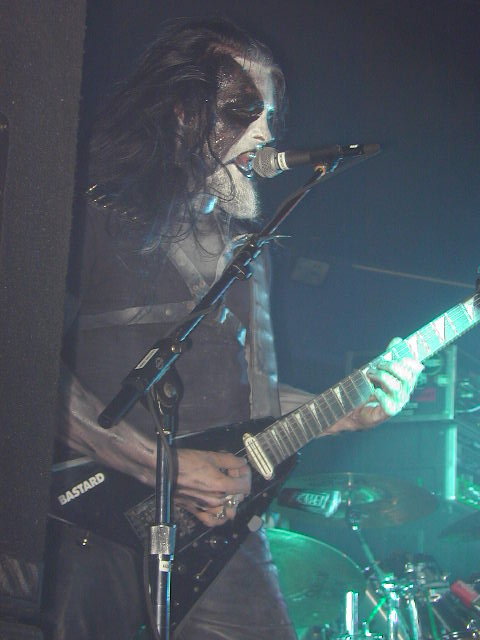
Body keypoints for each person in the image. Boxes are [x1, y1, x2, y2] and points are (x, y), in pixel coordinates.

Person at [41, 16, 423, 640]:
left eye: (270, 116)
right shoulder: (90, 214)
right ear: (181, 113)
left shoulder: (249, 250)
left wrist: (345, 408)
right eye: (245, 111)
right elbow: (21, 365)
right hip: (79, 521)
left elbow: (253, 406)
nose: (266, 134)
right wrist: (156, 465)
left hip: (216, 534)